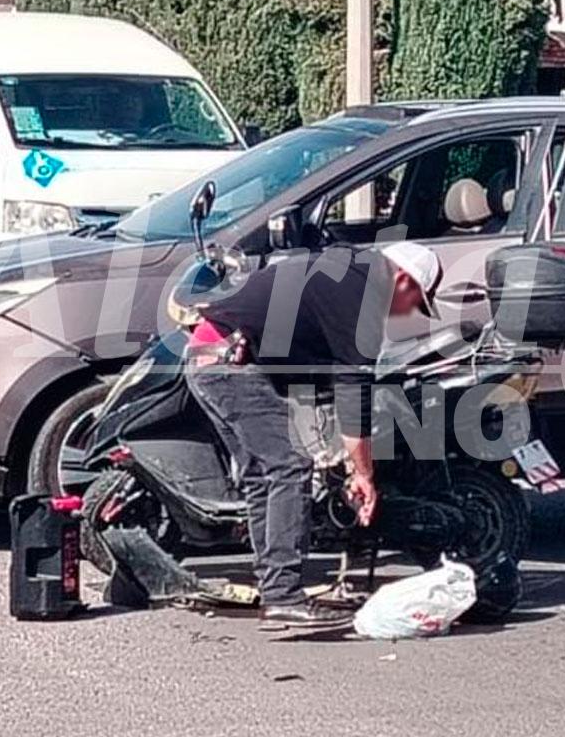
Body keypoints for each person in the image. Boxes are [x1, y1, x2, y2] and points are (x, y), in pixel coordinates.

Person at [184, 241, 443, 628]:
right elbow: (353, 396)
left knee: (262, 474)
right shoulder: (364, 297)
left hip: (207, 355)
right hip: (230, 365)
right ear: (403, 279)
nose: (407, 312)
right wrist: (364, 474)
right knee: (289, 466)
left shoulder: (346, 267)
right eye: (415, 302)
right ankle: (283, 595)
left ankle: (274, 587)